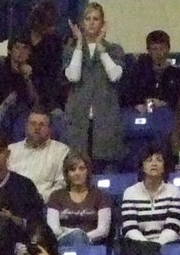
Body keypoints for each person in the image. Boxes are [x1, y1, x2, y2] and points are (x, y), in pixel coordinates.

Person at [63, 3, 124, 170]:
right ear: (81, 23)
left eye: (95, 19)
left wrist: (100, 47)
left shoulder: (113, 49)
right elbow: (73, 76)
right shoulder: (71, 49)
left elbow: (115, 75)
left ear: (102, 23)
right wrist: (79, 44)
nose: (91, 23)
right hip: (78, 117)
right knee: (77, 162)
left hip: (105, 117)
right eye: (87, 19)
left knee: (104, 164)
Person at [0, 132, 46, 236]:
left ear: (8, 153)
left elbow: (38, 221)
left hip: (17, 242)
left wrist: (14, 220)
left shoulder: (25, 185)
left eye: (0, 151)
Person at [118, 148, 180, 251]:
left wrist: (156, 246)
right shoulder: (130, 193)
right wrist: (146, 246)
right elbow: (129, 228)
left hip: (168, 246)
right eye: (149, 160)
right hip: (138, 248)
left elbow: (173, 226)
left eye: (159, 160)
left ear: (164, 167)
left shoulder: (173, 191)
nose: (154, 163)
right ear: (142, 167)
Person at [46, 151, 112, 245]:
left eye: (82, 169)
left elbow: (103, 230)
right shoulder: (56, 196)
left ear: (88, 171)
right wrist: (73, 235)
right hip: (63, 244)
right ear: (67, 173)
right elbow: (53, 228)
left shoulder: (101, 195)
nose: (77, 173)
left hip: (92, 246)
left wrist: (81, 237)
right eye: (72, 169)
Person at [121, 29, 180, 113]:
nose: (159, 53)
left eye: (162, 48)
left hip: (170, 115)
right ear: (148, 50)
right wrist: (137, 105)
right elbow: (126, 97)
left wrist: (165, 103)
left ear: (168, 49)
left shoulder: (178, 74)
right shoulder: (138, 73)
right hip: (142, 115)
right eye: (154, 49)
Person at [8, 111, 69, 203]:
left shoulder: (61, 150)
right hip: (12, 203)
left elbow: (62, 184)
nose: (37, 128)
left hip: (44, 205)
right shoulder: (11, 150)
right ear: (26, 126)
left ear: (49, 129)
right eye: (33, 124)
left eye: (42, 124)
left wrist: (39, 199)